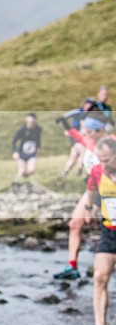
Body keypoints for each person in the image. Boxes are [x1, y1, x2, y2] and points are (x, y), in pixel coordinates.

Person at [54, 116, 108, 280]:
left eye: (90, 131)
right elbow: (76, 135)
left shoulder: (111, 144)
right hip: (93, 188)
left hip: (110, 190)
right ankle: (72, 267)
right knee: (75, 224)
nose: (87, 134)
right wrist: (64, 121)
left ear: (101, 131)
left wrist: (95, 206)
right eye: (86, 131)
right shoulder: (90, 141)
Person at [78, 137, 116, 325]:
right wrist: (89, 208)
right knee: (100, 277)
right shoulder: (97, 172)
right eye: (100, 160)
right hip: (109, 231)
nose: (103, 164)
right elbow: (91, 190)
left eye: (107, 160)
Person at [11, 113, 41, 180]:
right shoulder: (22, 130)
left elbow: (38, 140)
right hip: (21, 154)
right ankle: (15, 184)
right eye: (28, 122)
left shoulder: (38, 129)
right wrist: (14, 152)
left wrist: (38, 148)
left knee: (32, 170)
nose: (30, 124)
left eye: (32, 122)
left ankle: (23, 179)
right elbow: (14, 141)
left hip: (32, 154)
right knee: (21, 170)